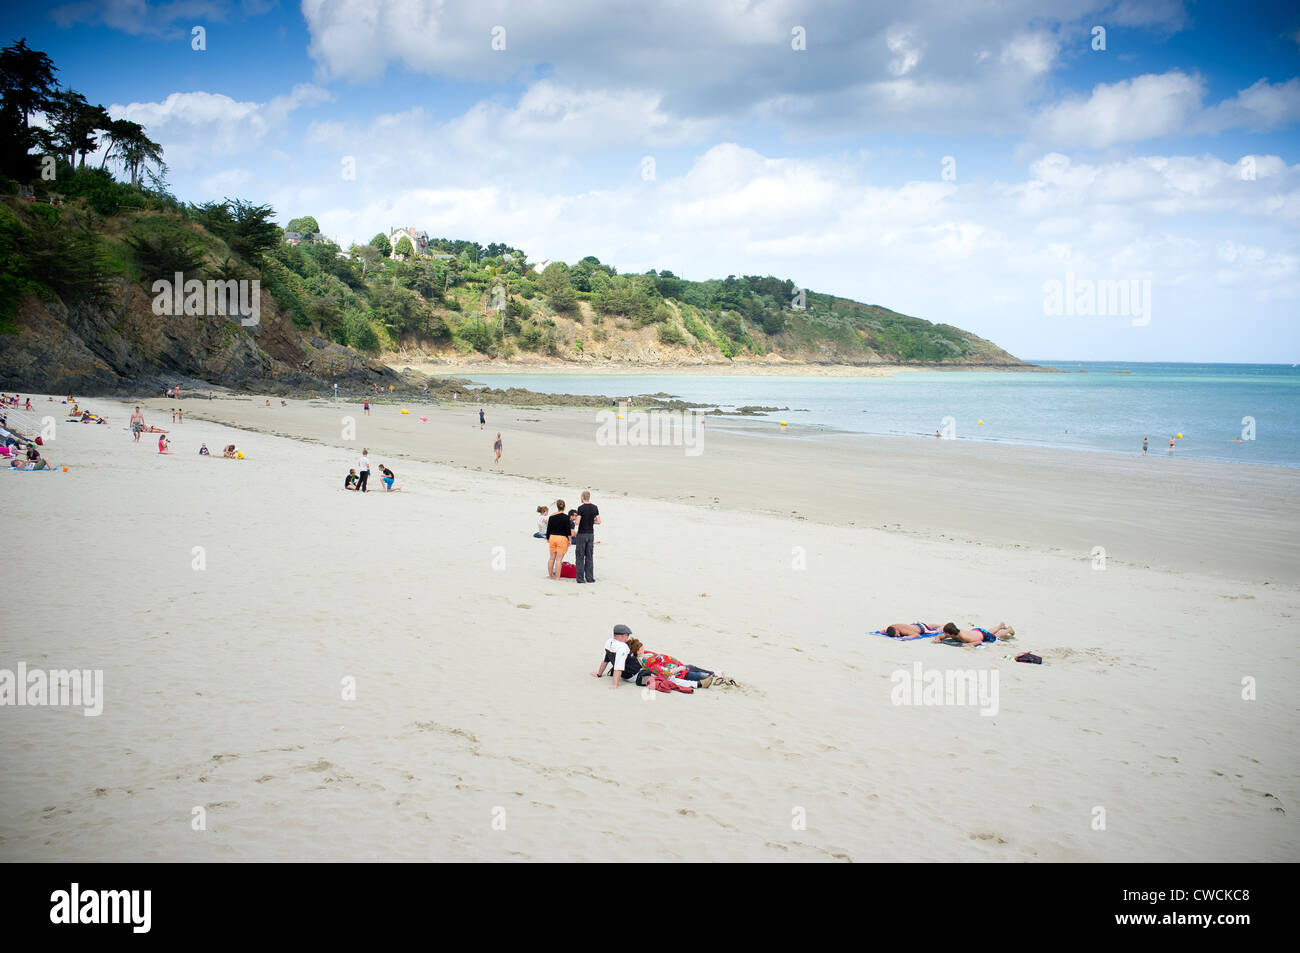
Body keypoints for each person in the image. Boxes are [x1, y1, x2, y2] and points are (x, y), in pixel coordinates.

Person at [629, 639, 720, 688]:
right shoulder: (645, 661)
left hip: (677, 666)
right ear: (638, 651)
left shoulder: (646, 653)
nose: (643, 646)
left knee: (692, 667)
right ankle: (715, 678)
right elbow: (657, 669)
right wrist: (678, 669)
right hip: (677, 672)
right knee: (698, 675)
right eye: (641, 647)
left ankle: (714, 674)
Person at [591, 624, 641, 690]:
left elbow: (605, 660)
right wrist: (615, 684)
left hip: (625, 674)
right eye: (627, 635)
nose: (628, 638)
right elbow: (618, 667)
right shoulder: (622, 647)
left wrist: (599, 674)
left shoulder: (609, 642)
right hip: (635, 675)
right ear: (623, 636)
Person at [574, 490, 600, 584]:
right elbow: (598, 521)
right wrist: (590, 521)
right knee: (589, 556)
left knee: (580, 556)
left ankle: (580, 579)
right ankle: (590, 577)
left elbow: (577, 522)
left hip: (582, 534)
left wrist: (575, 521)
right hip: (590, 534)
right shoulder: (595, 507)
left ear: (582, 497)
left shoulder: (581, 508)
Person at [546, 499, 572, 579]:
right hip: (562, 538)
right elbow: (568, 530)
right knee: (559, 559)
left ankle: (550, 576)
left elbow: (548, 529)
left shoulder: (551, 517)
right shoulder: (566, 517)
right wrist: (570, 540)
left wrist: (548, 538)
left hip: (552, 537)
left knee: (551, 558)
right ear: (564, 507)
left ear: (557, 506)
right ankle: (557, 577)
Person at [934, 622, 1014, 645]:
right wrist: (937, 639)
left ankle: (1008, 630)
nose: (944, 634)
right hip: (976, 631)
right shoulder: (953, 633)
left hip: (982, 636)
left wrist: (967, 645)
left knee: (996, 637)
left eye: (945, 633)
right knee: (988, 632)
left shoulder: (965, 637)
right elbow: (939, 637)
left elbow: (979, 642)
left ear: (950, 633)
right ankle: (1000, 626)